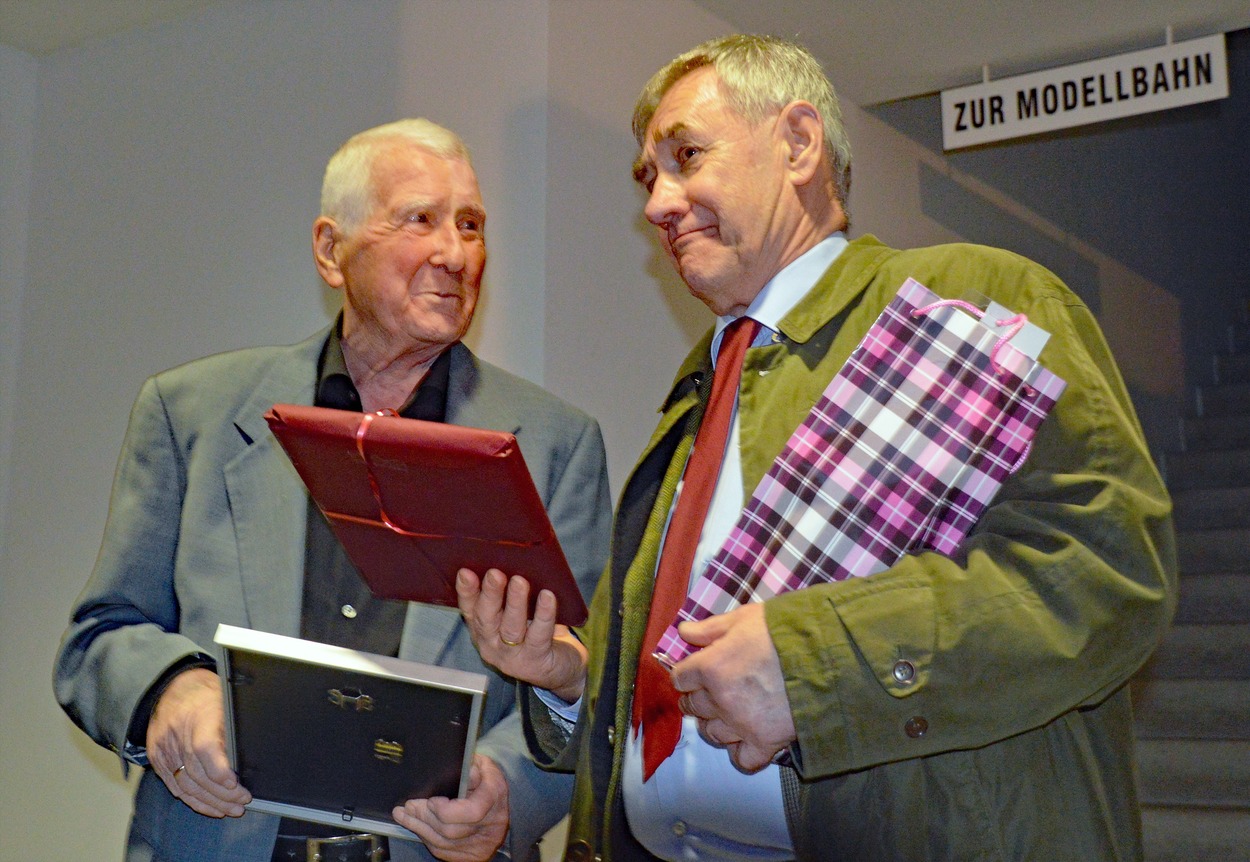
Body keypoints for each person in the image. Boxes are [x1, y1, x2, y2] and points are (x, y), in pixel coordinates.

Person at [455, 35, 1177, 861]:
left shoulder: (975, 301)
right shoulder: (699, 390)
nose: (657, 202)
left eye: (686, 155)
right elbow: (682, 685)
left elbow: (1106, 572)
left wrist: (816, 665)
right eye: (649, 177)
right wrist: (574, 681)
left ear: (799, 144)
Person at [54, 118, 613, 862]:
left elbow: (589, 686)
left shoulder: (555, 445)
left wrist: (506, 792)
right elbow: (101, 637)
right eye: (421, 219)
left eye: (472, 225)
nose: (456, 253)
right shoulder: (190, 412)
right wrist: (169, 691)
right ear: (330, 249)